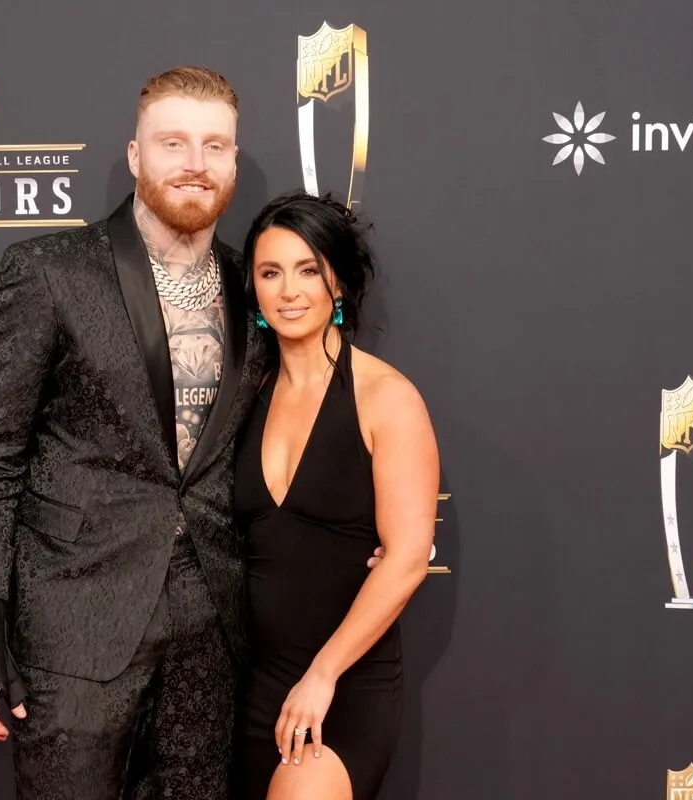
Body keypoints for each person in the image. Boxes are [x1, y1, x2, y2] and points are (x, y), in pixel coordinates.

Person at [0, 66, 385, 799]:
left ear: (234, 163)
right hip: (74, 626)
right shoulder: (50, 271)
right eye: (173, 142)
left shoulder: (257, 290)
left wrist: (366, 529)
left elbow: (310, 418)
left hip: (214, 631)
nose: (194, 163)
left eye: (216, 146)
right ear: (136, 154)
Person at [234, 191, 439, 800]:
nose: (289, 291)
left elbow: (406, 559)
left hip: (344, 682)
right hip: (256, 684)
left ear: (339, 285)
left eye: (308, 271)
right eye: (271, 272)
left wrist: (322, 674)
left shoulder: (386, 398)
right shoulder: (245, 398)